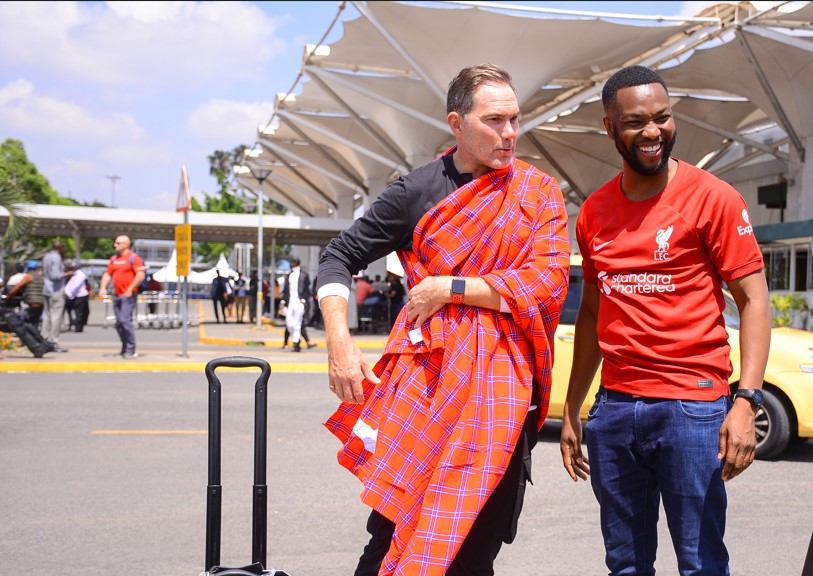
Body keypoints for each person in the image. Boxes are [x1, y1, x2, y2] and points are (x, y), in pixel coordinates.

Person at [317, 64, 569, 575]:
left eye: (515, 120)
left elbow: (548, 281)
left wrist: (452, 289)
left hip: (502, 400)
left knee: (478, 547)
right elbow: (338, 255)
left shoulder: (538, 193)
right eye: (494, 121)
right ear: (457, 123)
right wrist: (340, 344)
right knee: (392, 533)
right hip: (428, 391)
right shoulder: (417, 191)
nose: (509, 134)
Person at [559, 65, 771, 576]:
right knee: (626, 565)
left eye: (662, 118)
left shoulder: (714, 198)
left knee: (700, 564)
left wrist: (746, 401)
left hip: (693, 409)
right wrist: (571, 410)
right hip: (615, 411)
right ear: (610, 128)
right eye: (636, 122)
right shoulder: (593, 212)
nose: (653, 132)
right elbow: (592, 312)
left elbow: (754, 301)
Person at [98, 235, 146, 359]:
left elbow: (140, 275)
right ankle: (125, 347)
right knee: (119, 323)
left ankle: (131, 349)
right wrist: (103, 287)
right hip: (117, 295)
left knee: (125, 320)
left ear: (126, 244)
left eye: (118, 243)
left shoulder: (133, 258)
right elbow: (107, 274)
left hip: (128, 295)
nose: (115, 245)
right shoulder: (114, 259)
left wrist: (130, 289)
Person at [41, 240, 70, 352]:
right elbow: (55, 275)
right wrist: (67, 273)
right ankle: (53, 342)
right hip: (56, 290)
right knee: (56, 317)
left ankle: (44, 339)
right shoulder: (56, 257)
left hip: (46, 289)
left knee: (46, 316)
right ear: (60, 248)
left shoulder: (47, 256)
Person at [279, 256, 311, 353]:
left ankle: (296, 344)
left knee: (297, 324)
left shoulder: (304, 275)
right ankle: (296, 340)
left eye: (292, 262)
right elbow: (285, 290)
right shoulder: (289, 275)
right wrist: (283, 301)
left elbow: (307, 289)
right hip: (290, 302)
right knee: (289, 323)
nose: (290, 264)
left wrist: (304, 300)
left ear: (296, 263)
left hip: (299, 302)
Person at [63, 260, 90, 332]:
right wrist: (66, 292)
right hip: (73, 296)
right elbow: (69, 285)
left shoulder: (80, 275)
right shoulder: (74, 275)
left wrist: (68, 293)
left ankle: (78, 327)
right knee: (73, 312)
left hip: (80, 296)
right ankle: (73, 324)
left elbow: (75, 286)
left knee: (80, 313)